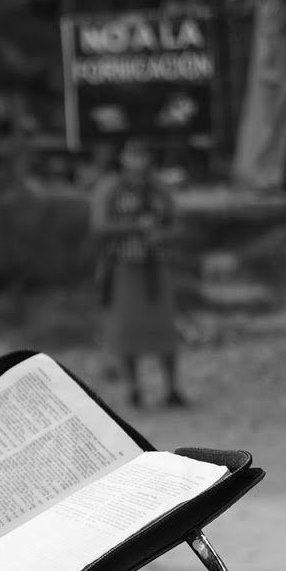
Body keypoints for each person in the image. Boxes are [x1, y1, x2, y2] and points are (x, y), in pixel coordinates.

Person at [90, 138, 187, 409]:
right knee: (126, 332)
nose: (138, 160)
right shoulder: (110, 188)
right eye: (132, 154)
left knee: (165, 331)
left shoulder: (160, 189)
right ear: (122, 158)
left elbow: (177, 226)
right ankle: (134, 389)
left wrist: (161, 236)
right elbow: (100, 226)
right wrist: (135, 227)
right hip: (123, 267)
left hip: (156, 268)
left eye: (142, 154)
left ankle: (171, 388)